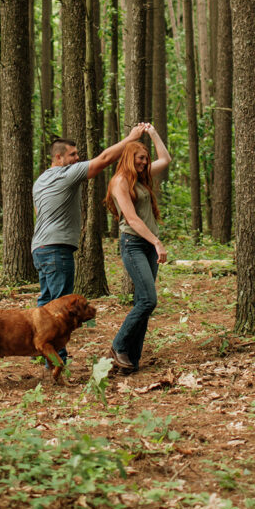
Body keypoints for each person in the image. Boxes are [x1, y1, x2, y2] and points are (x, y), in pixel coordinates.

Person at [31, 124, 149, 363]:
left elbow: (38, 212)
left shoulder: (40, 181)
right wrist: (131, 138)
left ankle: (46, 356)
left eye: (77, 155)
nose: (77, 158)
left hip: (40, 249)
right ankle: (57, 361)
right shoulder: (66, 174)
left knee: (44, 306)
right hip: (57, 249)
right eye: (73, 155)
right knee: (62, 309)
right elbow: (103, 159)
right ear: (59, 157)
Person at [106, 124, 171, 372]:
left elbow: (165, 159)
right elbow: (132, 219)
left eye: (145, 159)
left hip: (146, 247)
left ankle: (131, 360)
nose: (145, 162)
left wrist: (153, 133)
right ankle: (118, 346)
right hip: (134, 244)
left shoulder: (141, 179)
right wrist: (156, 241)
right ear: (129, 158)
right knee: (147, 300)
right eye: (140, 158)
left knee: (142, 301)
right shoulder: (120, 181)